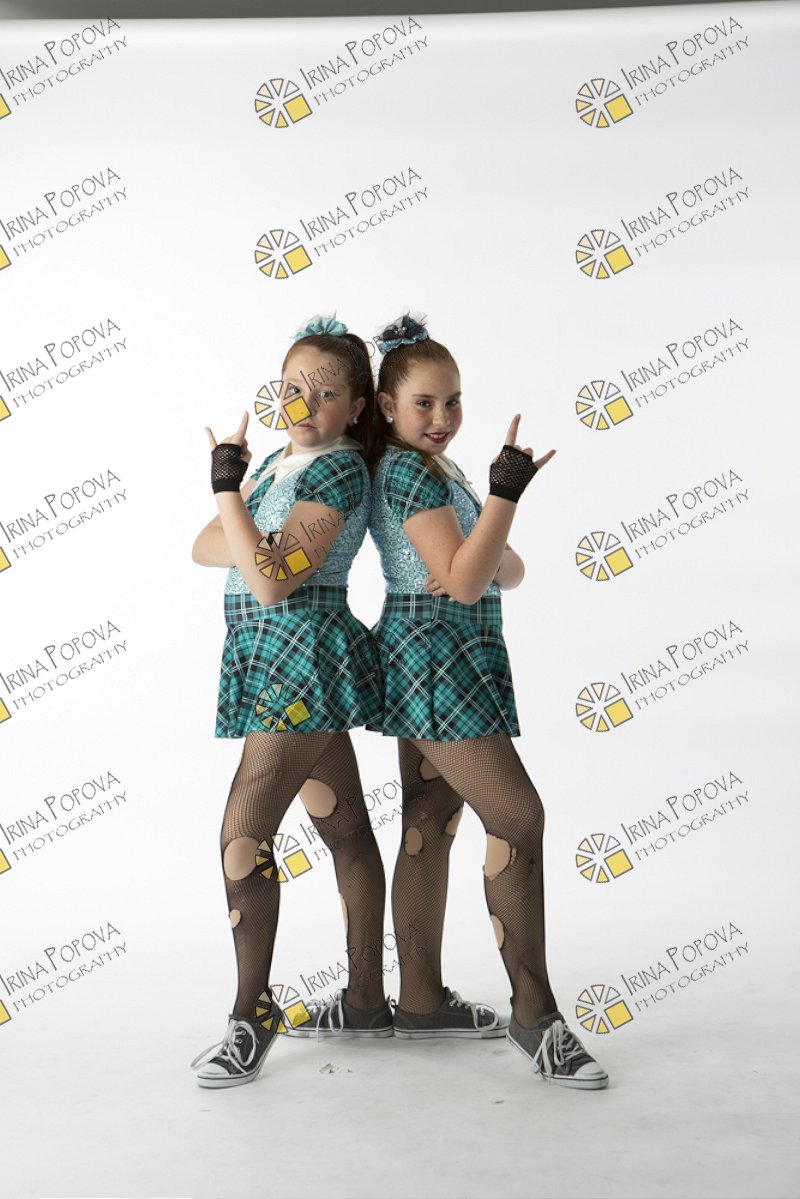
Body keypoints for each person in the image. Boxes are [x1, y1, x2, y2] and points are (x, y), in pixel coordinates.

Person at [364, 311, 609, 1088]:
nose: (443, 416)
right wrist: (505, 496)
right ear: (386, 406)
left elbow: (509, 569)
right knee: (519, 817)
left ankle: (420, 1002)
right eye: (424, 403)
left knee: (429, 821)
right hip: (434, 654)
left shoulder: (441, 471)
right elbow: (473, 577)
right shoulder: (409, 473)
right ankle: (535, 1015)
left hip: (448, 650)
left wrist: (481, 545)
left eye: (454, 400)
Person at [189, 315, 392, 1088]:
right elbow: (206, 546)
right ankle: (366, 1002)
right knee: (344, 828)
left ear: (356, 407)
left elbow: (271, 579)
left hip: (301, 663)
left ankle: (253, 1013)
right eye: (291, 387)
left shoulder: (337, 473)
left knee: (243, 835)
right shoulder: (279, 463)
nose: (303, 402)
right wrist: (247, 525)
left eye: (324, 391)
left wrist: (227, 494)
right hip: (271, 657)